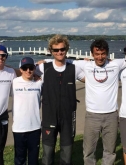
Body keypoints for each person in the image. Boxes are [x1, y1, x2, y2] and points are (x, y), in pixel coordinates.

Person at [40, 39, 126, 165]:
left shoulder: (116, 64)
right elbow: (64, 61)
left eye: (103, 54)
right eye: (97, 54)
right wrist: (45, 61)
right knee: (88, 151)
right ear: (92, 54)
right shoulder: (86, 65)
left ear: (107, 53)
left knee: (110, 151)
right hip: (92, 115)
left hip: (111, 115)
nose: (100, 57)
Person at [36, 34, 84, 165]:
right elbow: (23, 71)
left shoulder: (74, 69)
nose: (59, 52)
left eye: (62, 49)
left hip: (68, 117)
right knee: (47, 154)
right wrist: (36, 63)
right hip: (49, 116)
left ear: (66, 49)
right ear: (50, 51)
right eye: (56, 50)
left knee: (67, 154)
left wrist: (106, 64)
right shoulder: (42, 68)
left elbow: (92, 79)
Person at [12, 57, 42, 165]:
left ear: (34, 68)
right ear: (20, 69)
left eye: (31, 68)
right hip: (19, 128)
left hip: (35, 127)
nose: (28, 71)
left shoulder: (39, 83)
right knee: (20, 158)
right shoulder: (14, 82)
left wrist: (41, 63)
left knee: (33, 158)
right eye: (25, 68)